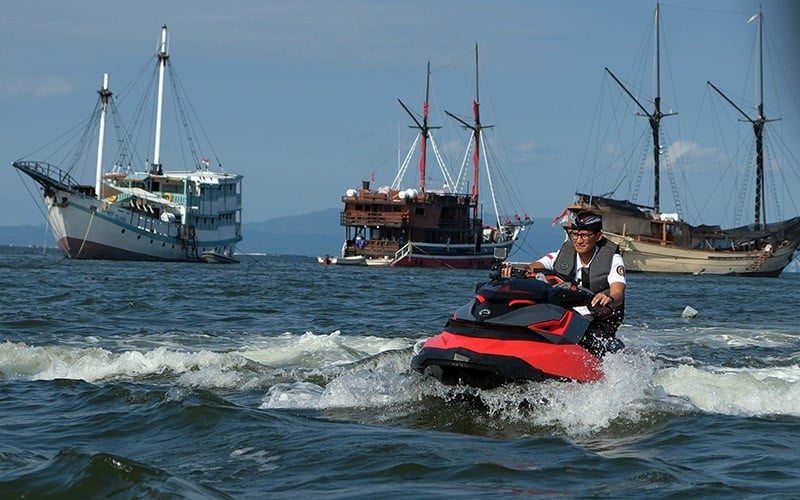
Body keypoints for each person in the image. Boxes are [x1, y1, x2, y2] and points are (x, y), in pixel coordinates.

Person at [503, 209, 626, 356]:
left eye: (585, 235)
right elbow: (531, 266)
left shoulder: (613, 259)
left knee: (592, 342)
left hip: (600, 318)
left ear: (598, 236)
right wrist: (513, 267)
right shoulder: (562, 255)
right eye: (575, 234)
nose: (579, 240)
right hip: (568, 315)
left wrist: (609, 298)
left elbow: (618, 292)